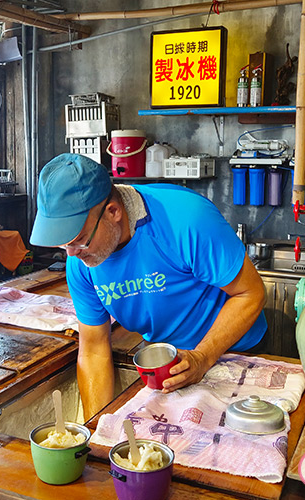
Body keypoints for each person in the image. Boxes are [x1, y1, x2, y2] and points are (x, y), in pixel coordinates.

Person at [30, 153, 267, 419]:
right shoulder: (81, 261)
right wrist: (98, 428)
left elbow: (251, 293)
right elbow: (94, 350)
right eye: (64, 244)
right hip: (166, 364)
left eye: (80, 240)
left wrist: (203, 357)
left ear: (113, 212)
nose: (72, 254)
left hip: (234, 353)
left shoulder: (186, 219)